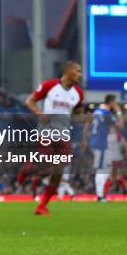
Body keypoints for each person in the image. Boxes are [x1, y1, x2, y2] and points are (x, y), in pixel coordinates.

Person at [22, 61, 84, 215]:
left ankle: (42, 206)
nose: (80, 74)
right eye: (78, 71)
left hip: (63, 135)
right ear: (67, 71)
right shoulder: (49, 85)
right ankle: (28, 169)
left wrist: (86, 117)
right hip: (47, 132)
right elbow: (29, 101)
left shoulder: (79, 93)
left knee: (58, 171)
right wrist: (39, 113)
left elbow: (77, 115)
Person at [84, 94, 123, 202]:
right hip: (100, 144)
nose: (115, 105)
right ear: (111, 102)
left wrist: (85, 139)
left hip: (96, 142)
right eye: (114, 103)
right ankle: (100, 196)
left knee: (107, 167)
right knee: (101, 169)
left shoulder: (97, 111)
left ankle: (101, 194)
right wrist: (119, 112)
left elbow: (88, 124)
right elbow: (120, 126)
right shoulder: (106, 113)